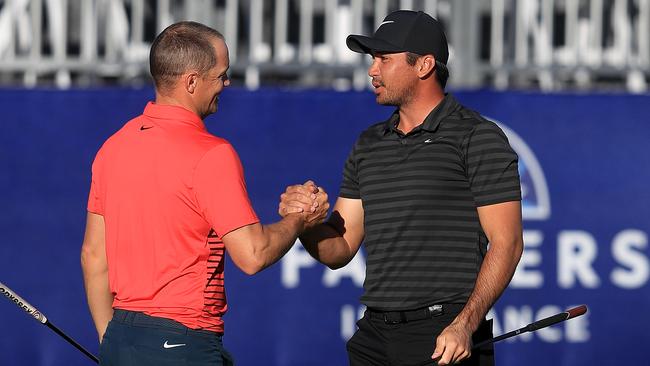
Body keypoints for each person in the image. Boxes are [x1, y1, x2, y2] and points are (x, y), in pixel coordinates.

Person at [279, 10, 523, 366]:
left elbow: (508, 243)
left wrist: (464, 325)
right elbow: (341, 248)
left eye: (383, 59)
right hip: (373, 338)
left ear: (423, 65)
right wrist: (303, 224)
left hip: (444, 334)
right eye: (373, 59)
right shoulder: (369, 143)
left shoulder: (477, 137)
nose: (372, 70)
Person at [80, 21, 327, 366]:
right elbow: (253, 254)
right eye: (221, 75)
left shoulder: (113, 147)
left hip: (122, 338)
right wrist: (299, 220)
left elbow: (94, 257)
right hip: (183, 341)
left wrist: (113, 342)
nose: (226, 84)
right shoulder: (211, 154)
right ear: (192, 81)